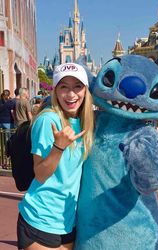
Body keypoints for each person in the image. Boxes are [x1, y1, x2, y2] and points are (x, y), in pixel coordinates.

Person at [17, 62, 94, 250]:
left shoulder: (85, 122)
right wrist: (58, 147)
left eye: (77, 87)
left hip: (68, 219)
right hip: (41, 217)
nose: (71, 94)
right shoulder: (48, 120)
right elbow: (41, 174)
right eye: (64, 87)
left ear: (85, 90)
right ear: (56, 91)